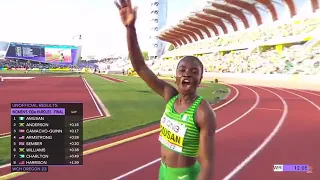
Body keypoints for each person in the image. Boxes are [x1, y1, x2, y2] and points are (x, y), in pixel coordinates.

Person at [115, 0, 216, 179]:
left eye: (194, 72)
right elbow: (140, 68)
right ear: (176, 76)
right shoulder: (170, 96)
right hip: (163, 172)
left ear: (199, 80)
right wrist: (130, 28)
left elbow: (207, 162)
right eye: (182, 70)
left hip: (185, 176)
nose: (187, 75)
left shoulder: (202, 112)